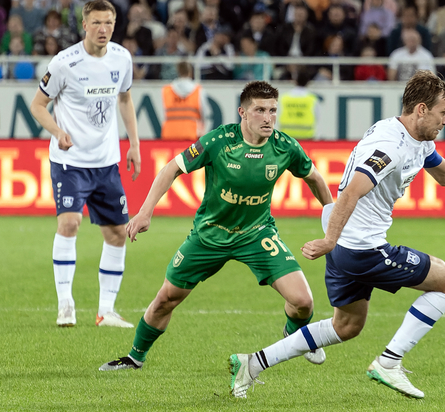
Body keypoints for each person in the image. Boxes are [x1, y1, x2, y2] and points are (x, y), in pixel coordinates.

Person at [228, 71, 445, 399]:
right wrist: (330, 240)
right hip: (362, 248)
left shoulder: (416, 138)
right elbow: (351, 193)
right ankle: (389, 362)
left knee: (347, 326)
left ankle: (253, 363)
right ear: (421, 109)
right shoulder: (389, 147)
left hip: (347, 245)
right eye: (443, 112)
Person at [98, 81, 334, 373]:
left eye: (273, 110)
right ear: (242, 113)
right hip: (209, 235)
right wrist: (145, 212)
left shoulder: (284, 146)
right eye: (259, 110)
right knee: (165, 299)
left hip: (257, 234)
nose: (268, 117)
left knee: (303, 302)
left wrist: (331, 227)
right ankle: (135, 357)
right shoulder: (219, 141)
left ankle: (294, 334)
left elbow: (316, 179)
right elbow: (172, 167)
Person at [29, 0, 141, 329]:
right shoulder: (65, 63)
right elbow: (37, 105)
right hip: (70, 162)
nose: (103, 29)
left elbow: (125, 98)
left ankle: (106, 310)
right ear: (84, 25)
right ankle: (66, 304)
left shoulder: (122, 58)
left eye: (108, 23)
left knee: (118, 233)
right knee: (69, 224)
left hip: (106, 163)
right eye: (96, 23)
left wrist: (133, 144)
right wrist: (57, 131)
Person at [161, 62, 207, 141]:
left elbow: (163, 114)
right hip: (192, 135)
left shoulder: (166, 90)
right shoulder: (198, 90)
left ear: (178, 71)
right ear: (190, 72)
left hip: (170, 135)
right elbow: (204, 114)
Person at [279, 69, 318, 139]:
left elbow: (277, 115)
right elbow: (317, 116)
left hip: (287, 136)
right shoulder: (312, 98)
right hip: (306, 135)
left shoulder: (284, 98)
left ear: (295, 81)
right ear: (308, 82)